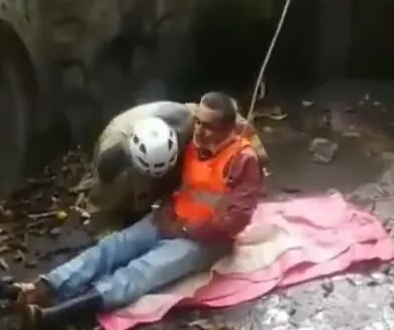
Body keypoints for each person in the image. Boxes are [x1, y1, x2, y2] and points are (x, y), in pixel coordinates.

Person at [16, 93, 264, 330]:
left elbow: (235, 220)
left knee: (141, 271)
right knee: (113, 247)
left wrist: (187, 229)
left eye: (208, 126)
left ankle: (57, 314)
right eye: (198, 122)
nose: (199, 129)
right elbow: (179, 184)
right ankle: (46, 286)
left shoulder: (242, 161)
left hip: (206, 241)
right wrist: (167, 208)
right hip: (171, 219)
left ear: (227, 128)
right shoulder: (191, 142)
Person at [88, 98, 268, 231]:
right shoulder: (112, 163)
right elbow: (100, 207)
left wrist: (258, 155)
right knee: (128, 211)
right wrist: (108, 232)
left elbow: (229, 121)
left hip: (171, 150)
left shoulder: (186, 119)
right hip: (128, 170)